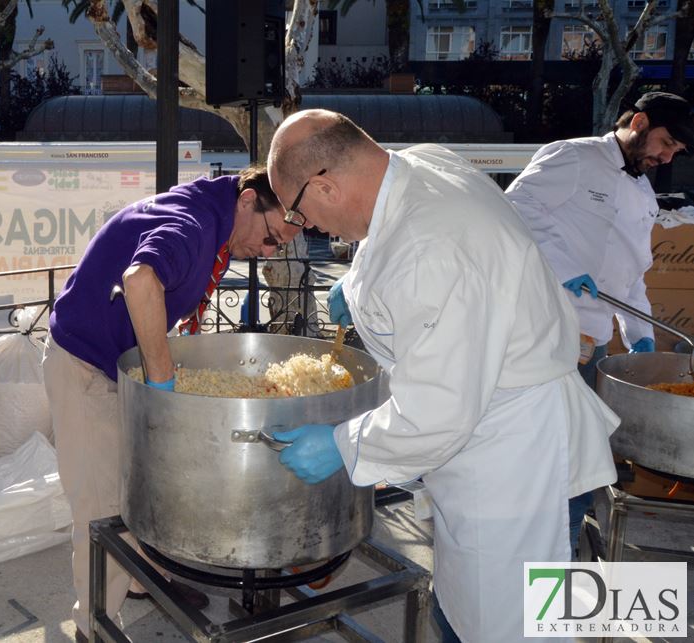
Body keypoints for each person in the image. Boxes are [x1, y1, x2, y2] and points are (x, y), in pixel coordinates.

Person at [266, 110, 620, 643]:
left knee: (508, 621)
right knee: (467, 600)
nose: (307, 227)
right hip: (485, 435)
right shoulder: (421, 162)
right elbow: (389, 236)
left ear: (327, 186)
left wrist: (343, 444)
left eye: (299, 213)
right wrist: (358, 287)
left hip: (506, 453)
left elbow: (437, 411)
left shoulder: (431, 249)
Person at [43, 167, 297, 642]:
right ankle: (92, 624)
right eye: (270, 237)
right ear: (248, 201)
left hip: (119, 365)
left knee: (140, 482)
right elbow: (140, 280)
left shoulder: (216, 206)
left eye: (277, 247)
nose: (266, 252)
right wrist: (163, 383)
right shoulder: (197, 225)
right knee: (101, 506)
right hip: (82, 366)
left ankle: (140, 580)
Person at [505, 91, 694, 554]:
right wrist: (565, 266)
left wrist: (642, 339)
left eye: (676, 153)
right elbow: (514, 207)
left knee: (579, 454)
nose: (666, 157)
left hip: (592, 344)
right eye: (666, 143)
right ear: (641, 122)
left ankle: (560, 545)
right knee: (558, 454)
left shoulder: (643, 192)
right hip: (544, 333)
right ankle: (549, 550)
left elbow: (631, 278)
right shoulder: (573, 156)